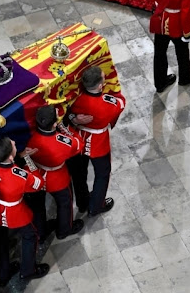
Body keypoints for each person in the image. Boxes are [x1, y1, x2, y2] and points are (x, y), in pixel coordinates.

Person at [0, 137, 50, 286]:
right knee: (30, 235)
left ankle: (2, 274)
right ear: (10, 156)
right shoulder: (19, 175)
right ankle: (28, 269)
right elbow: (38, 183)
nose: (15, 143)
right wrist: (29, 161)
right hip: (15, 212)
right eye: (13, 145)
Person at [66, 66, 125, 216]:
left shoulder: (76, 98)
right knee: (102, 174)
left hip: (79, 139)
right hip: (98, 143)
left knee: (79, 174)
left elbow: (65, 111)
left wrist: (73, 118)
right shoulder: (107, 103)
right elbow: (121, 102)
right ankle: (96, 206)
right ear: (100, 86)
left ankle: (83, 203)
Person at [25, 105, 85, 241]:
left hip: (37, 173)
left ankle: (41, 233)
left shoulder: (31, 137)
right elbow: (78, 144)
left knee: (38, 207)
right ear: (54, 124)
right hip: (57, 177)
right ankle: (64, 229)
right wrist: (63, 128)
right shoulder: (61, 142)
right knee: (65, 203)